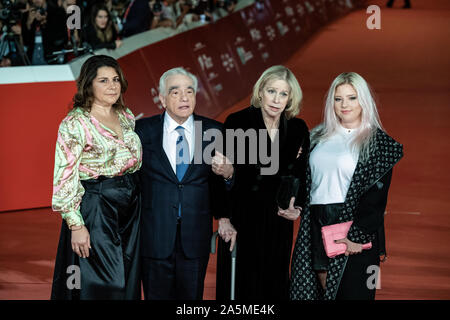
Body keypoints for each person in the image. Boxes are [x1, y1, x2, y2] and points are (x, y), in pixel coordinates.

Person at [289, 72, 403, 300]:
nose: (344, 105)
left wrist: (358, 235)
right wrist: (296, 204)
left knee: (354, 292)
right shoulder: (316, 136)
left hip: (354, 225)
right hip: (316, 222)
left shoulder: (378, 143)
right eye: (338, 98)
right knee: (317, 292)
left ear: (364, 100)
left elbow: (377, 197)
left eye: (352, 98)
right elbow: (305, 181)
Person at [135, 67, 235, 300]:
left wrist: (230, 174)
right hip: (154, 237)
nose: (184, 98)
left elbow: (222, 185)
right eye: (175, 92)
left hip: (194, 238)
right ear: (162, 98)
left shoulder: (214, 131)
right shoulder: (141, 132)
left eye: (189, 91)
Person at [51, 55, 142, 300]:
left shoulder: (126, 115)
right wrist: (76, 225)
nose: (112, 86)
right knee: (104, 281)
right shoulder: (75, 123)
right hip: (97, 206)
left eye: (115, 79)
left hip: (131, 205)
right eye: (103, 80)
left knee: (128, 274)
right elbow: (64, 176)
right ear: (89, 84)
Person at [216, 65, 310, 300]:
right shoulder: (237, 122)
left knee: (274, 285)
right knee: (239, 289)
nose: (276, 100)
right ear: (260, 92)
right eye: (271, 91)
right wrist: (224, 219)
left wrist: (297, 207)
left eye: (283, 94)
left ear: (290, 98)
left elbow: (302, 174)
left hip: (278, 223)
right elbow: (219, 175)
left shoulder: (298, 129)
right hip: (241, 220)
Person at [21, 0, 68, 64]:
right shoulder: (27, 15)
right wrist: (29, 24)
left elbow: (62, 38)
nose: (36, 0)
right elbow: (26, 42)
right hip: (32, 60)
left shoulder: (58, 12)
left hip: (53, 59)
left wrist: (45, 24)